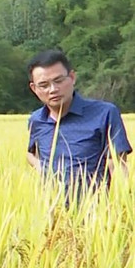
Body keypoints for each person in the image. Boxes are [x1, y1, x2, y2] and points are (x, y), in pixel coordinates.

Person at [26, 49, 131, 192]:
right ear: (34, 88)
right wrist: (40, 168)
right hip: (52, 210)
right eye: (44, 85)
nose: (53, 89)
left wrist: (122, 205)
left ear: (72, 77)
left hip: (95, 209)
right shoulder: (36, 120)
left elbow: (118, 165)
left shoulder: (104, 113)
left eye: (58, 81)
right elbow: (31, 153)